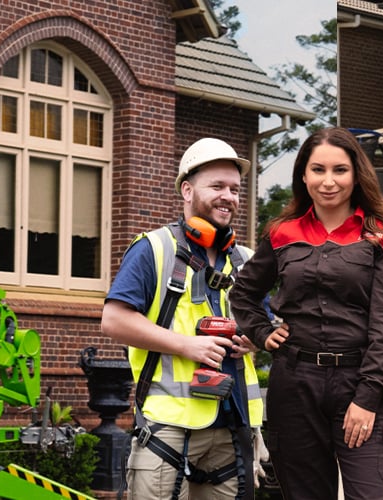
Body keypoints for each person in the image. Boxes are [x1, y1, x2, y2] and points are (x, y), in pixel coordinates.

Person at [229, 127, 383, 500]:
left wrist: (368, 397)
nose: (329, 181)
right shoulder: (282, 233)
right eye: (318, 170)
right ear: (304, 175)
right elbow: (244, 292)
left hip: (360, 383)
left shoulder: (381, 237)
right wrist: (262, 332)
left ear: (357, 174)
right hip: (294, 386)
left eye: (339, 170)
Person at [102, 137, 264, 500]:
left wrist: (255, 337)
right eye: (217, 186)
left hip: (233, 425)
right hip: (168, 428)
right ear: (187, 190)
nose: (229, 196)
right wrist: (186, 345)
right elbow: (113, 320)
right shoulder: (153, 249)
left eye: (235, 189)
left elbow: (268, 326)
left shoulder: (246, 260)